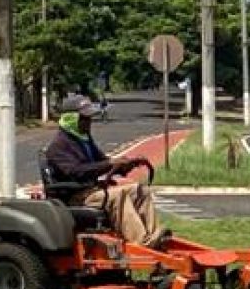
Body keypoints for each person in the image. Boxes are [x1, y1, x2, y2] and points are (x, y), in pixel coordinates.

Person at [44, 94, 168, 245]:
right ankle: (142, 241)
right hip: (75, 196)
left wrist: (125, 165)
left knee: (140, 190)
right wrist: (109, 164)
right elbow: (76, 171)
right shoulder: (58, 146)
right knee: (117, 196)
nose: (89, 122)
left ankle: (154, 235)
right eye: (85, 118)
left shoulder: (84, 140)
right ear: (72, 119)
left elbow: (102, 162)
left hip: (91, 192)